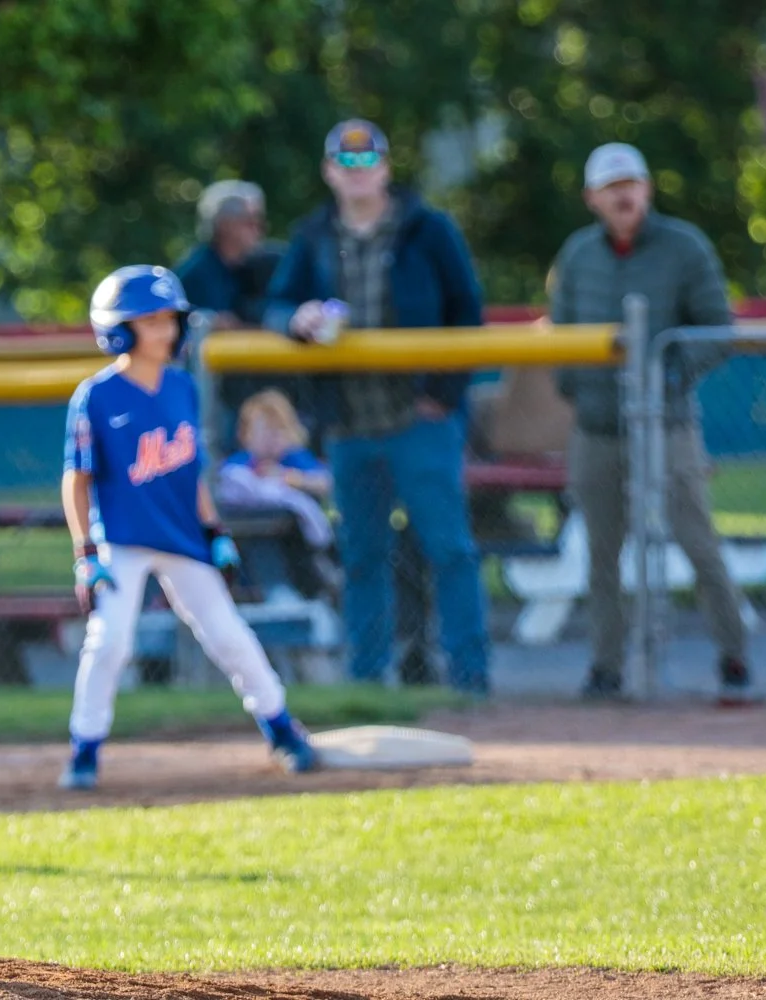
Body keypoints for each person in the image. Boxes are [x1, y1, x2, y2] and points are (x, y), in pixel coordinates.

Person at [59, 265, 318, 789]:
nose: (166, 331)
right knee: (109, 642)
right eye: (151, 321)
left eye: (169, 320)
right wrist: (85, 553)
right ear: (119, 328)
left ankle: (282, 729)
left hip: (181, 536)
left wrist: (215, 531)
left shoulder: (181, 387)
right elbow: (77, 481)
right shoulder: (96, 396)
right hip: (123, 540)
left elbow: (189, 471)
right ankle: (84, 750)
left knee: (230, 636)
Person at [264, 118, 490, 694]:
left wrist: (443, 394)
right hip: (348, 423)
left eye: (368, 163)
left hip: (419, 420)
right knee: (361, 555)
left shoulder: (427, 228)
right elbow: (277, 302)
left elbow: (467, 310)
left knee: (449, 550)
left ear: (386, 169)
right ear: (329, 172)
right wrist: (297, 319)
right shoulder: (313, 234)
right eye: (346, 163)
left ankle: (470, 678)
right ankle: (366, 679)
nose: (357, 173)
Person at [549, 142, 750, 704]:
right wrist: (577, 389)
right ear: (592, 198)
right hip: (597, 426)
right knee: (600, 555)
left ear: (647, 189)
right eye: (612, 187)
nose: (624, 194)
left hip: (667, 423)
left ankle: (734, 657)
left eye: (631, 183)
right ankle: (607, 667)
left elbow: (718, 328)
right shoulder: (578, 253)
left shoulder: (684, 247)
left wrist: (665, 376)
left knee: (698, 543)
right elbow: (560, 333)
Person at [216, 389, 337, 600]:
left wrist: (291, 478)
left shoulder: (294, 459)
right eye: (262, 431)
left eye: (277, 431)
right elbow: (227, 484)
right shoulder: (241, 463)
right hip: (251, 540)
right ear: (245, 435)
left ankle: (291, 590)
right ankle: (267, 591)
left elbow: (326, 482)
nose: (269, 440)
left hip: (298, 545)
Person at [174, 180, 280, 330]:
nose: (260, 229)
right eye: (251, 220)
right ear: (225, 224)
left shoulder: (255, 267)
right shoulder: (196, 273)